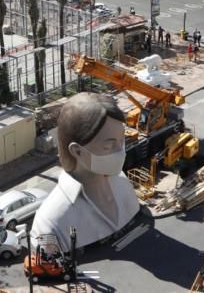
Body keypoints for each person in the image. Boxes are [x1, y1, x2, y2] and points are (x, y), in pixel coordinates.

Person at [30, 93, 140, 250]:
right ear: (77, 151)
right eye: (108, 147)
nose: (120, 152)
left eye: (122, 142)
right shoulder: (50, 222)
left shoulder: (122, 182)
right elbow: (48, 268)